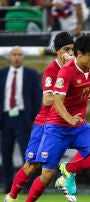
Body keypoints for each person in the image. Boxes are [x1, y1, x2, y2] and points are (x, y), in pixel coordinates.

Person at [24, 33, 90, 202]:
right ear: (79, 54)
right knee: (47, 175)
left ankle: (68, 169)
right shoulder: (66, 72)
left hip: (78, 127)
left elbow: (79, 89)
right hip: (57, 128)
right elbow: (57, 101)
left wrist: (83, 96)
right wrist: (70, 119)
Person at [3, 32, 77, 202]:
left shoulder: (74, 69)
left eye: (73, 50)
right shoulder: (52, 70)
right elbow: (47, 99)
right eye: (67, 49)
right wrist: (67, 96)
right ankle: (11, 197)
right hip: (44, 123)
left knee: (50, 170)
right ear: (57, 51)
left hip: (62, 124)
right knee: (31, 165)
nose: (70, 53)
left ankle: (65, 176)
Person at [0, 46, 42, 194]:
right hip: (5, 118)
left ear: (23, 57)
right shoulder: (2, 74)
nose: (17, 57)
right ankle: (8, 185)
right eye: (14, 54)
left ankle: (29, 185)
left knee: (28, 154)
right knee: (5, 153)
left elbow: (37, 99)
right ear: (10, 57)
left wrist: (36, 120)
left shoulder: (31, 74)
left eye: (19, 54)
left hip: (24, 119)